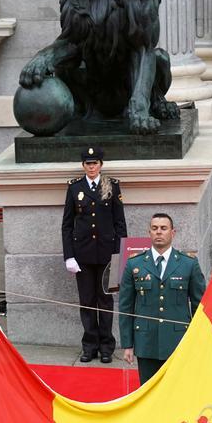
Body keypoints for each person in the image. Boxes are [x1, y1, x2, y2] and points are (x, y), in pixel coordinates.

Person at [118, 213, 206, 384]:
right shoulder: (134, 264)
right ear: (149, 232)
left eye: (163, 228)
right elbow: (126, 307)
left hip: (178, 342)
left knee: (176, 391)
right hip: (146, 342)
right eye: (154, 228)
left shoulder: (188, 264)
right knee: (148, 391)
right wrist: (127, 344)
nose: (159, 232)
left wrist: (199, 342)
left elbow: (200, 307)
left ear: (173, 233)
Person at [61, 146, 127, 363]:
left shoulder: (112, 186)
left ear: (101, 165)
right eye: (88, 164)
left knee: (106, 301)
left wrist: (120, 255)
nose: (91, 167)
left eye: (95, 163)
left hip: (107, 255)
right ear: (83, 165)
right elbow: (67, 225)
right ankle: (89, 346)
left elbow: (120, 224)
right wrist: (69, 255)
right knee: (87, 301)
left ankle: (107, 347)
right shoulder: (74, 188)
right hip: (83, 256)